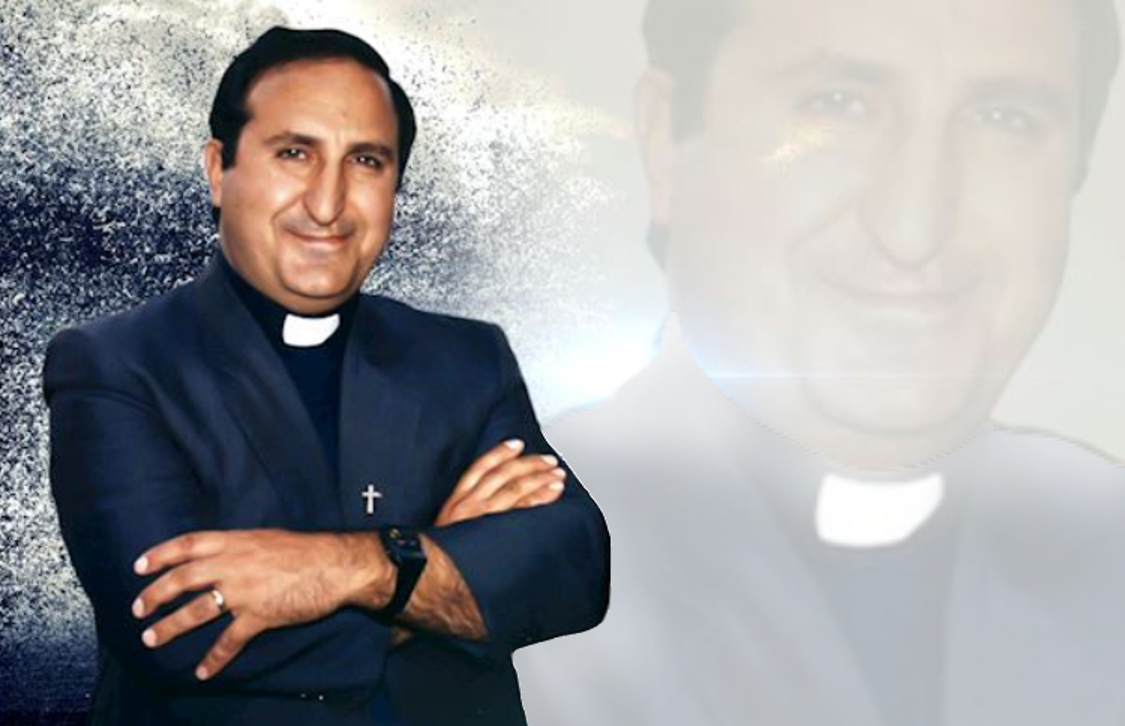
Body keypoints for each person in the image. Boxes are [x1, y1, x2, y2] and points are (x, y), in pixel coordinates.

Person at [516, 0, 1125, 723]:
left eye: (1003, 120)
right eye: (838, 105)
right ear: (665, 142)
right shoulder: (481, 564)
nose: (913, 227)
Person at [44, 26, 609, 726]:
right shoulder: (116, 363)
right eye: (294, 153)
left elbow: (571, 572)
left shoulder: (466, 357)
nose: (327, 204)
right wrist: (443, 567)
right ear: (219, 169)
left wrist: (358, 568)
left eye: (366, 161)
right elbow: (183, 636)